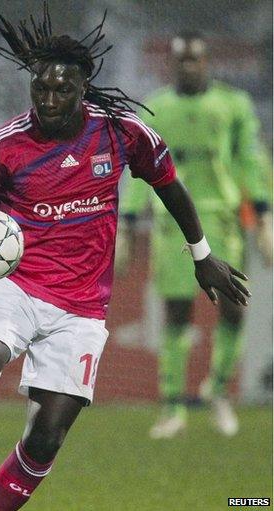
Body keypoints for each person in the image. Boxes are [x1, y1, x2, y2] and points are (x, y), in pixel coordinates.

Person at [0, 5, 250, 511]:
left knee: (47, 436)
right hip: (18, 286)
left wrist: (202, 253)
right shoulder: (5, 147)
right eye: (41, 89)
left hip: (83, 307)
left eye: (63, 90)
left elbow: (169, 185)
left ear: (85, 88)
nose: (50, 100)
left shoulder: (122, 133)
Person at [118, 31, 271, 439]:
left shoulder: (232, 105)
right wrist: (128, 225)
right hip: (173, 227)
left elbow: (250, 161)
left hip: (223, 221)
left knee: (235, 307)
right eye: (181, 60)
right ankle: (172, 406)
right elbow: (138, 173)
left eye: (195, 59)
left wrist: (265, 218)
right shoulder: (156, 109)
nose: (188, 66)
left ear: (206, 62)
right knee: (176, 312)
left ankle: (218, 392)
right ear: (172, 63)